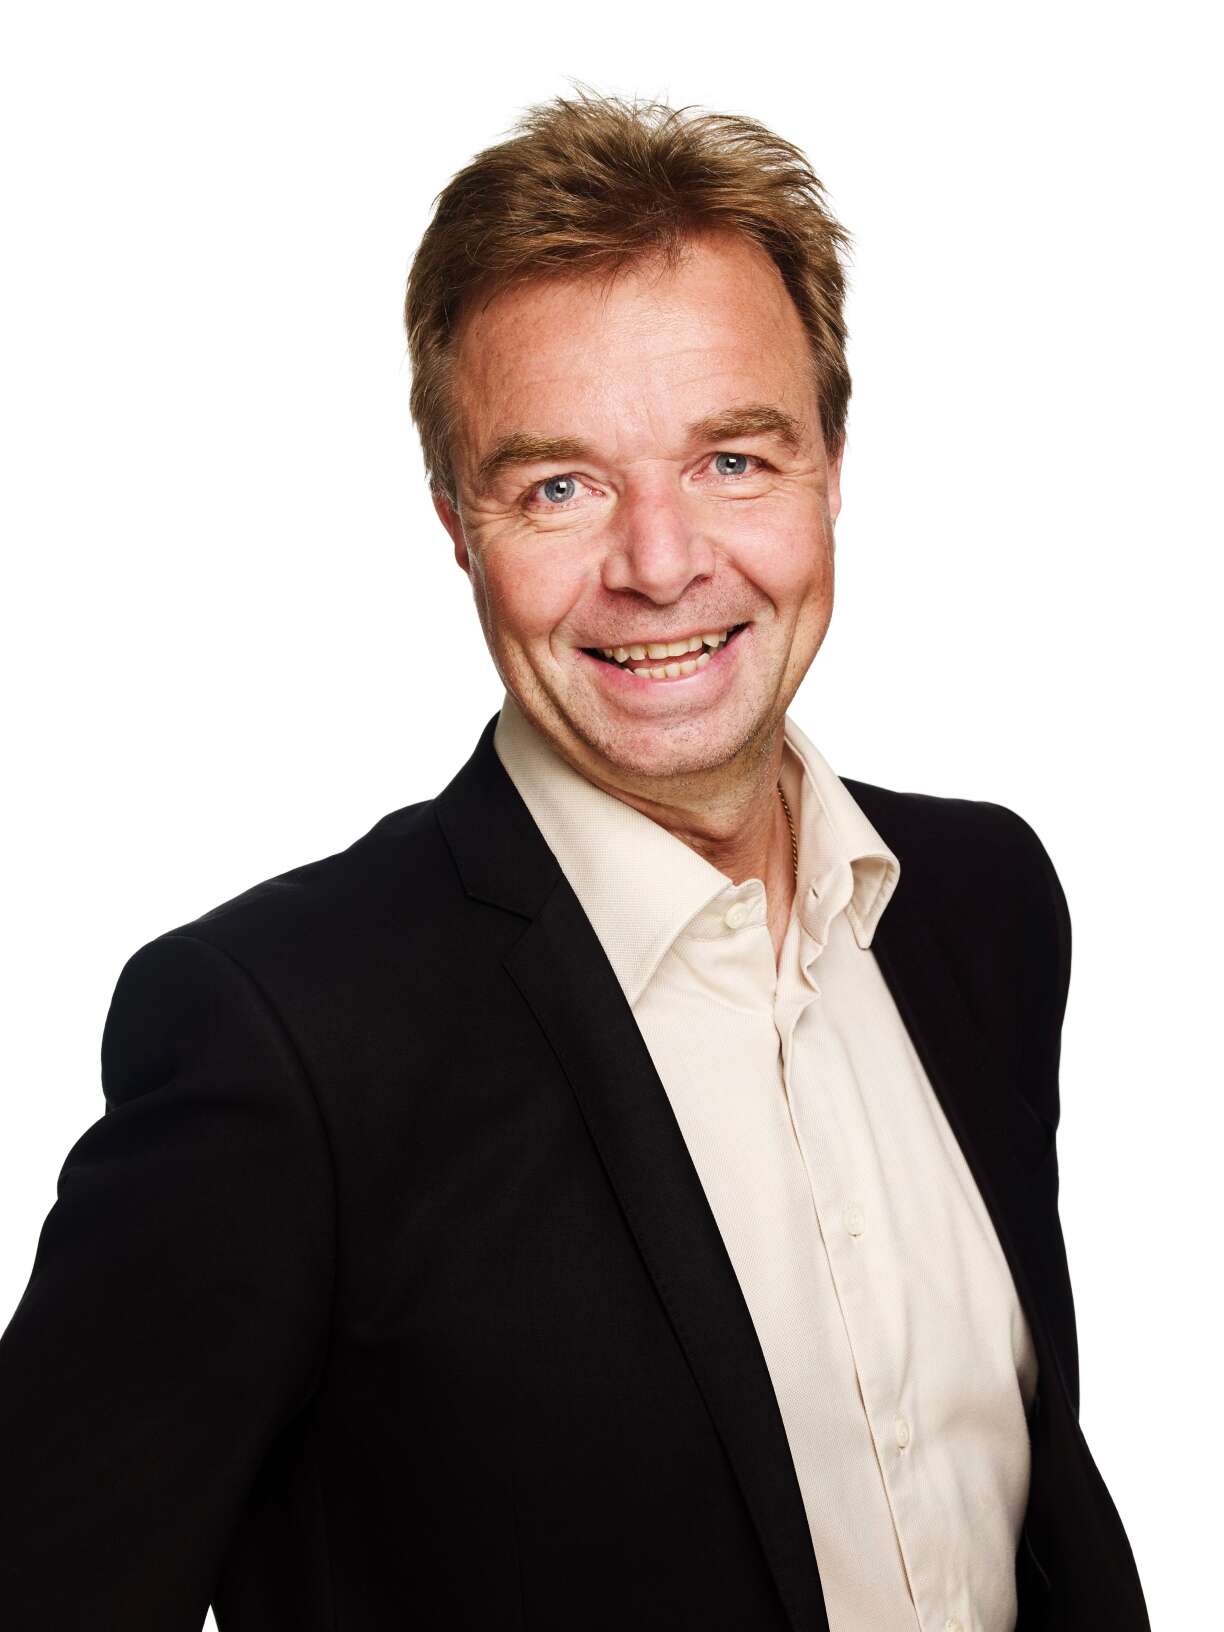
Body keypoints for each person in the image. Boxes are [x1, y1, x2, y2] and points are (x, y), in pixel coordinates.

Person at [0, 91, 1149, 1632]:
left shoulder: (981, 902)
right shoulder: (285, 1044)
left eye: (733, 459)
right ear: (456, 524)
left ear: (831, 464)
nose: (661, 564)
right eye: (560, 486)